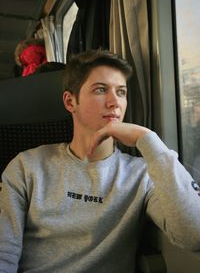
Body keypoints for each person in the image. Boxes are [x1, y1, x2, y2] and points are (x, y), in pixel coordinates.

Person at [0, 50, 200, 273]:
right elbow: (4, 253)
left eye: (121, 92)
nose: (115, 102)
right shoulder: (27, 166)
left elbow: (194, 235)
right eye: (101, 89)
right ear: (70, 101)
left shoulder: (142, 175)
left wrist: (149, 140)